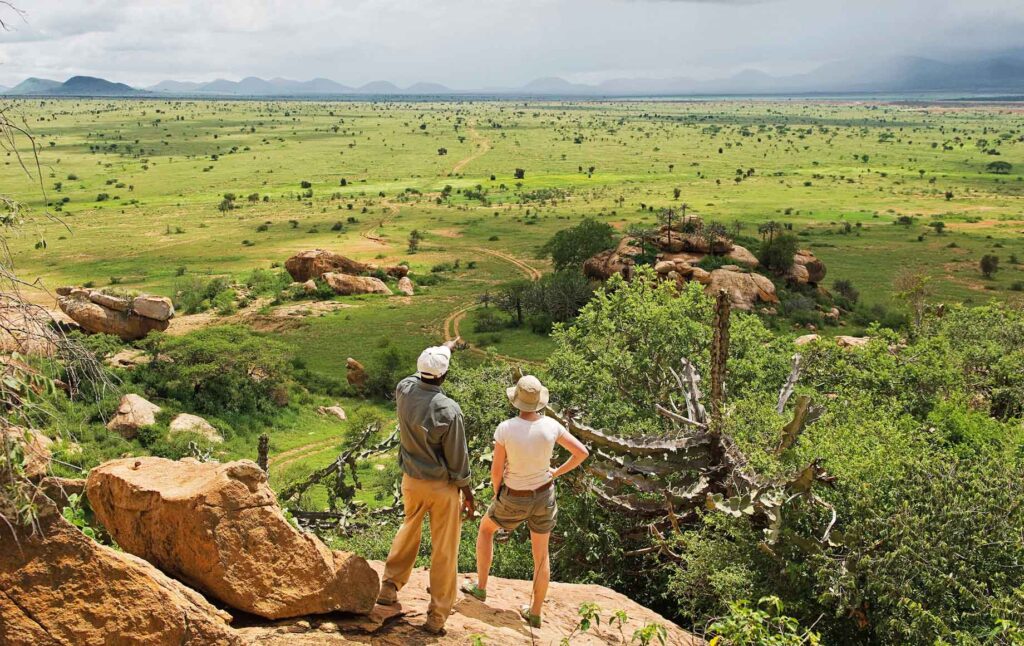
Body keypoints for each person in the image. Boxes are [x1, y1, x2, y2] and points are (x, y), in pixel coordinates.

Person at [461, 375, 589, 628]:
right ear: (539, 401)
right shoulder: (552, 426)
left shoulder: (506, 428)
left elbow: (496, 471)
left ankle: (481, 587)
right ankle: (535, 612)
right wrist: (556, 472)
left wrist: (499, 494)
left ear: (516, 400)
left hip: (514, 494)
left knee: (486, 529)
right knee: (541, 555)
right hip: (544, 493)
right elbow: (582, 453)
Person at [377, 337, 475, 635]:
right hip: (442, 487)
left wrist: (446, 347)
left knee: (409, 529)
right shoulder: (448, 410)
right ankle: (436, 616)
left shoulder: (404, 390)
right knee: (444, 549)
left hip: (411, 481)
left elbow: (420, 373)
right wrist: (468, 492)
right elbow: (458, 459)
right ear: (444, 375)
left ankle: (389, 586)